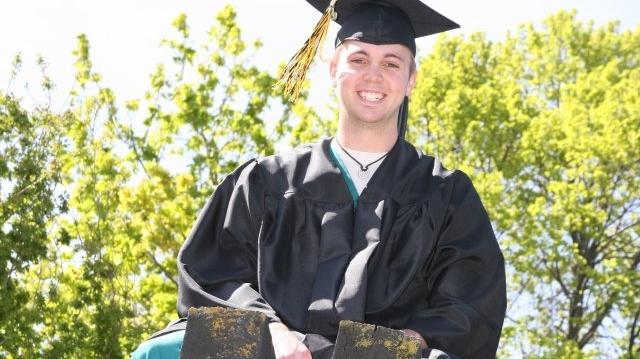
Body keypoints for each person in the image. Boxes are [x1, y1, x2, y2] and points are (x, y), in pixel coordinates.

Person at [132, 0, 506, 358]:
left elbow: (469, 304)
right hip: (274, 351)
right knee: (158, 351)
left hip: (391, 356)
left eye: (392, 63)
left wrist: (399, 344)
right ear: (332, 70)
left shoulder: (444, 194)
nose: (373, 75)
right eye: (358, 59)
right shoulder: (268, 182)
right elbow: (211, 276)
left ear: (411, 80)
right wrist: (271, 331)